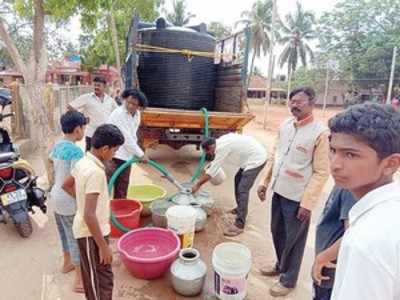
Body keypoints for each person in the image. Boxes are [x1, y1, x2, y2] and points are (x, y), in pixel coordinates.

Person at [257, 87, 330, 297]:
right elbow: (275, 155)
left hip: (298, 198)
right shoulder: (285, 126)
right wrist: (264, 181)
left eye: (299, 101)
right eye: (292, 101)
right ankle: (280, 265)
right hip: (279, 190)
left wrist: (307, 204)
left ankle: (288, 280)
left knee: (294, 240)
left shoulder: (320, 134)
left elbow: (321, 172)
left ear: (312, 104)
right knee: (276, 231)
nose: (294, 105)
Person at [327, 103, 400, 300]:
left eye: (350, 154)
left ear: (390, 164)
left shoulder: (366, 242)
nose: (335, 165)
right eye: (333, 150)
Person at [62, 124, 125, 300]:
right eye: (115, 150)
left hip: (93, 231)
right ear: (105, 149)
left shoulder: (83, 161)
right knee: (98, 282)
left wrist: (82, 202)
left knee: (103, 277)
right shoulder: (95, 173)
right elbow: (89, 215)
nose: (115, 154)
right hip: (90, 234)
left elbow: (66, 185)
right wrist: (104, 247)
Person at [191, 133, 268, 237]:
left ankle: (239, 225)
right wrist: (211, 165)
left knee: (242, 189)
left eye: (208, 152)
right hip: (249, 158)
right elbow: (215, 163)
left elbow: (212, 172)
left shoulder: (222, 147)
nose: (209, 154)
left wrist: (198, 185)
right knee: (238, 179)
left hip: (257, 159)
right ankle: (239, 208)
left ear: (211, 147)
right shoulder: (220, 141)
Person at [49, 111, 87, 293]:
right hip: (66, 200)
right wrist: (79, 200)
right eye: (84, 128)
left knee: (64, 235)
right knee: (76, 239)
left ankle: (67, 264)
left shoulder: (57, 145)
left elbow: (52, 168)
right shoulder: (76, 151)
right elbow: (70, 182)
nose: (84, 131)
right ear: (78, 129)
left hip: (55, 198)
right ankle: (79, 281)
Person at [311, 187, 356, 300]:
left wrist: (323, 258)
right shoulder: (343, 183)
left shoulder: (350, 189)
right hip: (325, 258)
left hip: (330, 265)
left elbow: (351, 235)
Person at [106, 88, 148, 199]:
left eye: (134, 104)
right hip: (112, 155)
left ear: (139, 106)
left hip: (126, 157)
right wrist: (140, 154)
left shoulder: (137, 115)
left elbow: (133, 135)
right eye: (128, 102)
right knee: (105, 186)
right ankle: (102, 212)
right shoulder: (119, 114)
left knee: (122, 187)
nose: (130, 106)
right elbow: (126, 138)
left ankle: (119, 212)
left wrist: (135, 153)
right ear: (125, 100)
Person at [68, 77, 117, 151]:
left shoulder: (110, 100)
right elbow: (70, 106)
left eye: (99, 85)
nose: (96, 87)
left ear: (104, 86)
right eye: (95, 85)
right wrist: (81, 118)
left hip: (105, 134)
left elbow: (117, 112)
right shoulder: (87, 97)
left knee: (103, 155)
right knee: (89, 155)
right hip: (91, 134)